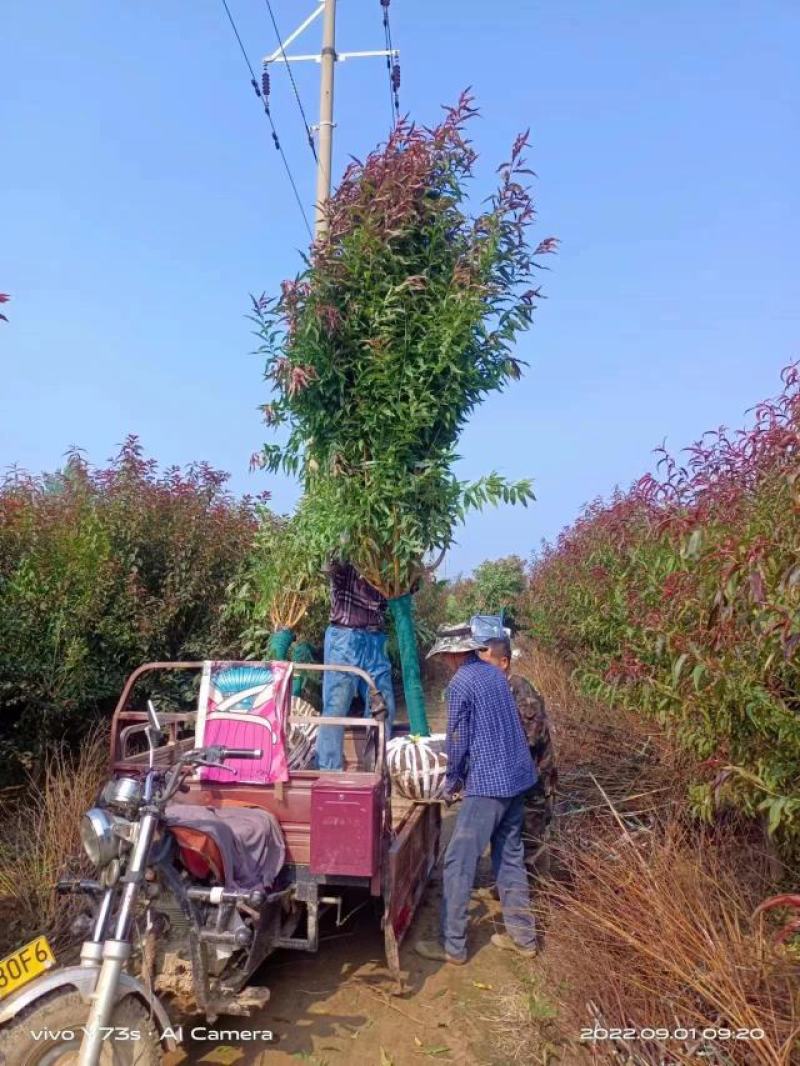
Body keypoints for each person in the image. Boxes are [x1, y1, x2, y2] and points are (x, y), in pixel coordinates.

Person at [414, 623, 539, 965]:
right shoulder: (495, 674)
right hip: (517, 778)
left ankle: (452, 946)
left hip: (488, 784)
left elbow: (456, 739)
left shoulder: (460, 684)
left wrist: (451, 782)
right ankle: (524, 938)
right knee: (510, 857)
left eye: (444, 657)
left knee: (457, 862)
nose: (443, 663)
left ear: (454, 654)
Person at [478, 634, 556, 878]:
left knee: (530, 837)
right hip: (511, 779)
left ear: (504, 662)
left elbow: (528, 741)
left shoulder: (522, 693)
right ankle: (507, 884)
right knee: (504, 833)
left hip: (532, 780)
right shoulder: (496, 691)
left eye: (487, 664)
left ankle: (535, 896)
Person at [315, 560, 396, 771]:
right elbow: (329, 566)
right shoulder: (347, 553)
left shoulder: (383, 557)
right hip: (345, 635)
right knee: (336, 705)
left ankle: (376, 768)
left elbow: (400, 590)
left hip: (375, 637)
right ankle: (329, 770)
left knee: (383, 704)